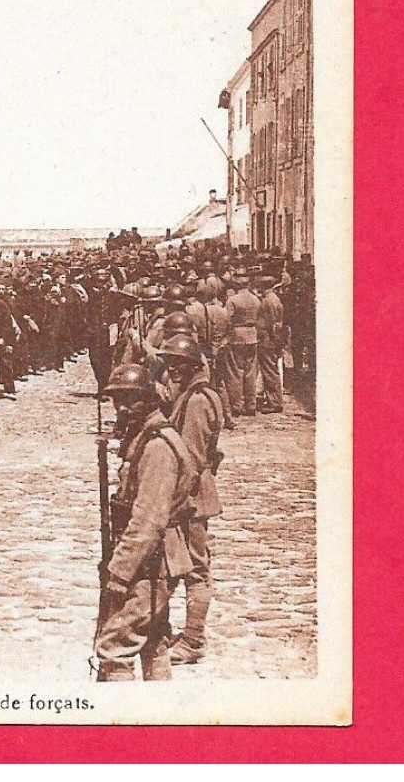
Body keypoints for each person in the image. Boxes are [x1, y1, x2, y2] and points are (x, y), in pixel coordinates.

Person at [93, 363, 193, 682]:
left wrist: (120, 572)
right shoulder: (145, 438)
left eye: (131, 399)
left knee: (115, 646)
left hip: (150, 563)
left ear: (150, 399)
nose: (122, 407)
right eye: (116, 399)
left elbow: (148, 520)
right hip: (153, 559)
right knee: (153, 639)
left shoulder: (157, 448)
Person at [156, 334, 225, 665]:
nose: (172, 370)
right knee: (172, 565)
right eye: (169, 364)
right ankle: (165, 629)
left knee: (196, 569)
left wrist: (172, 500)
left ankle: (194, 640)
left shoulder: (197, 401)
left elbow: (193, 458)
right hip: (190, 493)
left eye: (179, 364)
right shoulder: (192, 394)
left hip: (191, 497)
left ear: (194, 365)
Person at [223, 274, 262, 416]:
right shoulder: (256, 299)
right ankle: (251, 405)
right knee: (251, 372)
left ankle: (236, 405)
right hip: (252, 334)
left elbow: (227, 319)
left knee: (235, 371)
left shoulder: (232, 300)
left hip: (237, 335)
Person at [255, 276, 286, 413]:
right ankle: (273, 399)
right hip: (270, 339)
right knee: (270, 370)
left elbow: (275, 324)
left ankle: (275, 402)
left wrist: (275, 340)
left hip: (268, 339)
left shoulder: (269, 300)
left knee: (270, 371)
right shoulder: (272, 299)